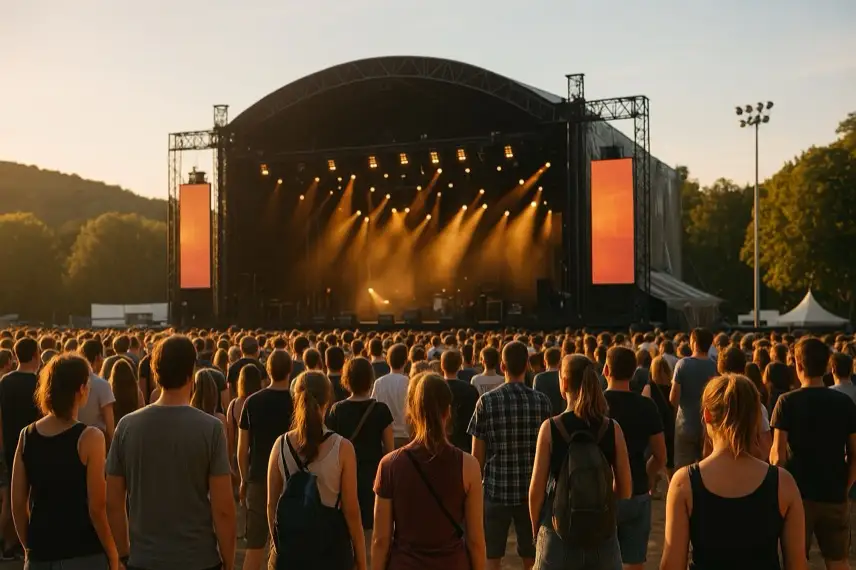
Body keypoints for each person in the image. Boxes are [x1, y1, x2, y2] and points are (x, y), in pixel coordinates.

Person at [106, 335, 236, 570]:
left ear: (156, 374)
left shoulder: (126, 426)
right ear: (190, 373)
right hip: (198, 559)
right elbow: (223, 508)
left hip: (144, 559)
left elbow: (113, 502)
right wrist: (228, 560)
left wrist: (124, 554)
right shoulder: (211, 428)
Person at [660, 375, 806, 570]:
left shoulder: (684, 482)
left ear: (707, 415)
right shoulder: (783, 482)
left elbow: (672, 565)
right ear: (756, 418)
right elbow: (797, 564)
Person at [11, 354, 120, 570]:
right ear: (80, 389)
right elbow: (97, 508)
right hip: (83, 553)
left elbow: (18, 504)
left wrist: (29, 548)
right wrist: (113, 552)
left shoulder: (26, 436)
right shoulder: (90, 438)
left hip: (40, 552)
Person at [372, 373, 486, 569]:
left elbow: (381, 540)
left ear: (412, 412)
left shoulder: (389, 465)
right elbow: (475, 540)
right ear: (447, 411)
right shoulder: (468, 466)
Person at [529, 354, 632, 569]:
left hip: (558, 532)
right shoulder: (612, 428)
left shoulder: (550, 428)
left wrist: (536, 529)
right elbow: (625, 489)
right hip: (602, 535)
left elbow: (536, 491)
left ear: (564, 383)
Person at [266, 372, 366, 570]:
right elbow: (352, 511)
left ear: (295, 399)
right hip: (331, 551)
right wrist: (361, 560)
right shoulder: (342, 448)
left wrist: (279, 545)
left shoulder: (281, 444)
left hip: (291, 551)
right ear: (327, 401)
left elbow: (271, 504)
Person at [771, 337, 856, 569]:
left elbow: (777, 455)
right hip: (834, 490)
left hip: (798, 493)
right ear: (827, 366)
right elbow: (854, 454)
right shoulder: (844, 403)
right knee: (838, 561)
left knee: (796, 559)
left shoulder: (786, 402)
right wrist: (845, 486)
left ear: (798, 365)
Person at [469, 341, 552, 570]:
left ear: (502, 366)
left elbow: (477, 457)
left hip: (496, 490)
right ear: (527, 365)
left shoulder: (486, 402)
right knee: (532, 557)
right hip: (531, 491)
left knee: (491, 556)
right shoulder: (542, 402)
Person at [601, 347, 665, 570]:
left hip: (602, 492)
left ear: (606, 370)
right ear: (632, 373)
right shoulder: (646, 405)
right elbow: (660, 455)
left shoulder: (596, 405)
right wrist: (648, 474)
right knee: (635, 561)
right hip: (637, 487)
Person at [325, 356, 394, 564]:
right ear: (370, 379)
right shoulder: (381, 410)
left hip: (345, 475)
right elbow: (389, 450)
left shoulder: (337, 410)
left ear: (347, 380)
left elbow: (330, 448)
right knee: (373, 530)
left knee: (348, 527)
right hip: (373, 476)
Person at [237, 349, 294, 570]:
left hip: (259, 477)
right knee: (290, 544)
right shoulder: (296, 401)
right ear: (290, 370)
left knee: (255, 545)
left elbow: (242, 448)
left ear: (267, 370)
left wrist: (244, 478)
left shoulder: (252, 402)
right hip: (291, 478)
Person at [0, 337, 41, 559]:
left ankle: (9, 543)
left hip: (9, 445)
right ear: (36, 355)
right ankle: (27, 542)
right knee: (32, 498)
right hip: (35, 444)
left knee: (11, 496)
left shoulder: (5, 382)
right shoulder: (39, 383)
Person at [670, 328, 717, 468]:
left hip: (685, 424)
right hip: (708, 427)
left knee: (682, 468)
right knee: (707, 468)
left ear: (694, 343)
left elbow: (673, 398)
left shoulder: (682, 364)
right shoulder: (714, 366)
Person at [78, 340, 117, 448]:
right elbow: (109, 422)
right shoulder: (103, 385)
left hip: (73, 440)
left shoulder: (71, 381)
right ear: (97, 357)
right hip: (97, 442)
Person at [371, 344, 410, 449]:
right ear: (405, 362)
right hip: (405, 435)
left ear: (388, 361)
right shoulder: (408, 382)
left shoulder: (379, 382)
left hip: (384, 437)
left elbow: (372, 407)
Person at [642, 355, 675, 479]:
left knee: (653, 460)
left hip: (655, 428)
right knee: (670, 463)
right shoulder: (672, 387)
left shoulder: (650, 387)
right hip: (670, 427)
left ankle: (652, 486)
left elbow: (644, 406)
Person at [441, 350, 479, 453]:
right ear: (459, 366)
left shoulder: (435, 388)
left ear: (442, 365)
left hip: (440, 444)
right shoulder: (470, 390)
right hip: (464, 444)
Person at [108, 359, 143, 426]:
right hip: (134, 425)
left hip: (117, 427)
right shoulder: (137, 392)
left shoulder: (110, 393)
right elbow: (142, 410)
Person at [533, 347, 564, 415]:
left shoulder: (538, 378)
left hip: (544, 415)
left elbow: (535, 399)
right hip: (561, 416)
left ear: (544, 362)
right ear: (560, 361)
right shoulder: (563, 377)